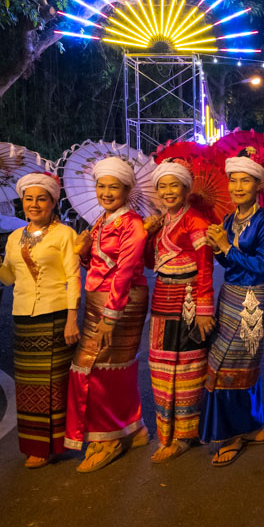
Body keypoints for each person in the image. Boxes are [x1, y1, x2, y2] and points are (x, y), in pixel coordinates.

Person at [0, 173, 80, 469]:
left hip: (56, 314)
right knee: (29, 386)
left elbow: (73, 277)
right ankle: (36, 445)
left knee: (55, 384)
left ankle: (56, 444)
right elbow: (10, 279)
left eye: (41, 199)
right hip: (23, 317)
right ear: (22, 202)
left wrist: (72, 318)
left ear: (52, 202)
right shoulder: (13, 238)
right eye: (28, 198)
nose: (34, 204)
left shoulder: (65, 235)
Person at [65, 156, 150, 472]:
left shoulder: (133, 225)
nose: (106, 192)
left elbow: (125, 271)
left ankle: (110, 439)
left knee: (98, 367)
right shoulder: (102, 220)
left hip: (121, 301)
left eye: (114, 186)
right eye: (101, 186)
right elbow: (98, 267)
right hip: (101, 299)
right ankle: (133, 428)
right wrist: (85, 250)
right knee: (113, 366)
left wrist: (110, 317)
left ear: (127, 189)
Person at [202, 148, 264, 466]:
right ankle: (250, 426)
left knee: (226, 366)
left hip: (252, 299)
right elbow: (227, 263)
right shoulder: (230, 218)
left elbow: (260, 266)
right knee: (241, 364)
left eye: (245, 181)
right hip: (228, 294)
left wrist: (226, 246)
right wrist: (216, 247)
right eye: (233, 181)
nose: (237, 187)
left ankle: (230, 434)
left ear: (257, 184)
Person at [141, 158, 216, 463]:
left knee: (187, 367)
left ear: (186, 189)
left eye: (175, 185)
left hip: (188, 299)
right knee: (160, 367)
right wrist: (147, 234)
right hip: (161, 300)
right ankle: (166, 432)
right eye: (163, 186)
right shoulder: (162, 223)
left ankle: (185, 434)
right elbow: (149, 264)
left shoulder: (196, 222)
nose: (168, 191)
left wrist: (204, 308)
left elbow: (205, 267)